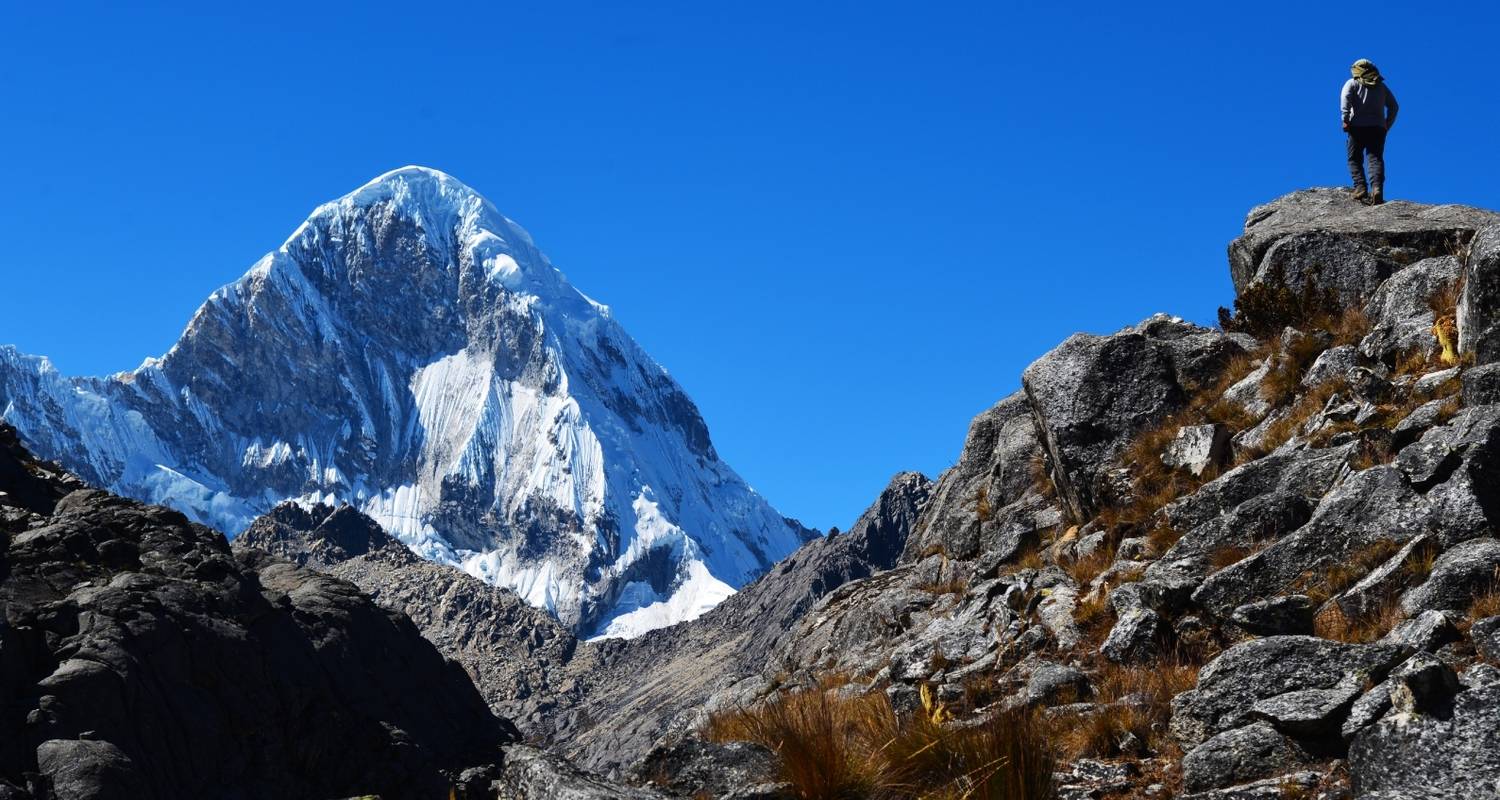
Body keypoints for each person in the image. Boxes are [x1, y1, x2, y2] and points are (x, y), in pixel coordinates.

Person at [1341, 59, 1399, 205]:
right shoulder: (1381, 87)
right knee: (1375, 158)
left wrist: (1345, 119)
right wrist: (1386, 124)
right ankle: (1377, 188)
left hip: (1357, 127)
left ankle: (1360, 187)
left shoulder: (1352, 83)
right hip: (1378, 129)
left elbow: (1345, 99)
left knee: (1354, 158)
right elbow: (1394, 106)